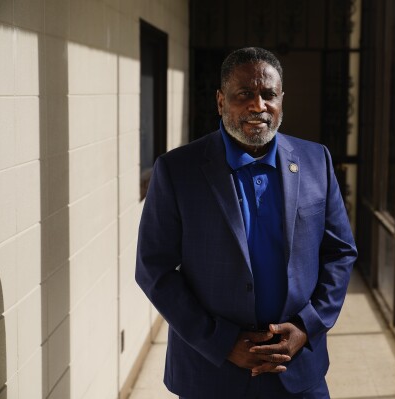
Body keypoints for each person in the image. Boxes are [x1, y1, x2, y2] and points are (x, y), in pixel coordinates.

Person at [135, 47, 357, 399]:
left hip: (298, 371)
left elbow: (340, 252)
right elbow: (153, 269)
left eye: (268, 95)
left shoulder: (317, 161)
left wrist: (306, 327)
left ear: (281, 100)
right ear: (221, 102)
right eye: (244, 95)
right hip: (211, 374)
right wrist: (222, 342)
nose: (258, 106)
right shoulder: (178, 170)